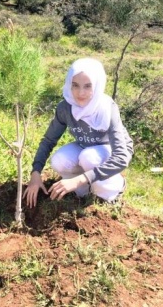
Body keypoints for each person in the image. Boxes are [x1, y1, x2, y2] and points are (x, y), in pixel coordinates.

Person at [23, 58, 133, 208]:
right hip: (85, 146)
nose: (80, 93)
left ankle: (111, 191)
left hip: (106, 151)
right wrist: (35, 174)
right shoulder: (66, 107)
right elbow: (48, 140)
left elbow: (121, 157)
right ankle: (82, 193)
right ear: (69, 84)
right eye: (75, 85)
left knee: (89, 158)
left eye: (88, 86)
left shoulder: (107, 108)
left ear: (97, 85)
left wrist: (78, 179)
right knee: (59, 160)